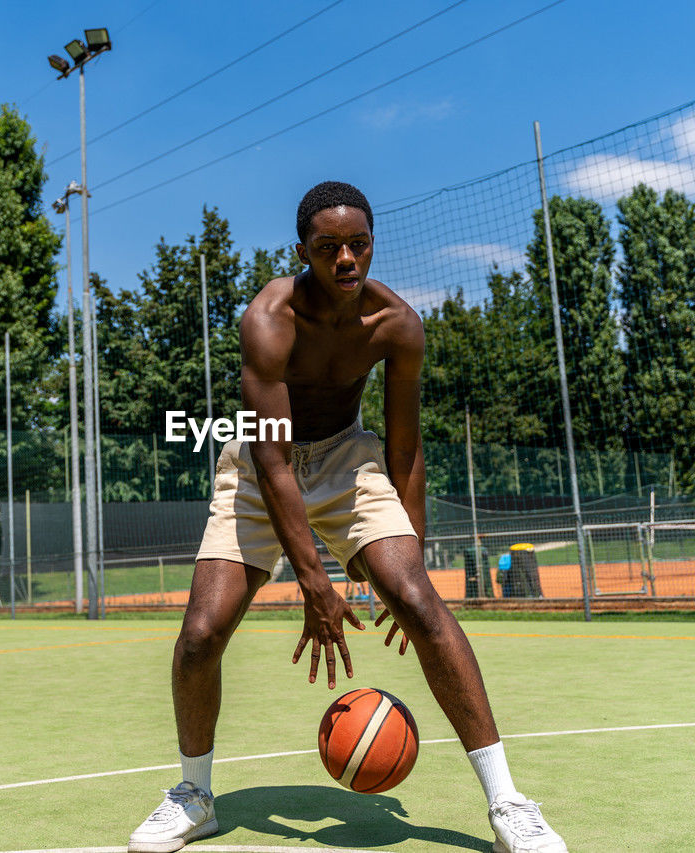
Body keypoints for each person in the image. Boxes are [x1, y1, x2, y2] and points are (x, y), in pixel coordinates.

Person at [128, 181, 567, 853]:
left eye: (358, 244)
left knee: (420, 602)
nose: (345, 259)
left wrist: (407, 563)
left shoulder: (396, 324)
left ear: (371, 244)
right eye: (328, 246)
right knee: (199, 634)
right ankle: (193, 796)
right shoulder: (268, 318)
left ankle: (509, 802)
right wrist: (315, 583)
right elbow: (272, 462)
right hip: (260, 462)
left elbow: (404, 447)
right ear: (302, 249)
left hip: (346, 459)